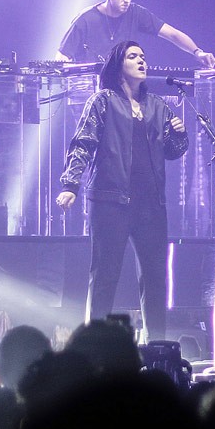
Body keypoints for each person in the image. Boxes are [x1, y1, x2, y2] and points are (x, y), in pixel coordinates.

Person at [56, 40, 189, 342]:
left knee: (156, 280)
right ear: (119, 67)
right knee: (104, 277)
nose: (142, 61)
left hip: (151, 205)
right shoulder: (102, 101)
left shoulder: (158, 105)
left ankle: (157, 348)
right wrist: (70, 184)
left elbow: (172, 151)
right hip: (110, 202)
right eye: (133, 56)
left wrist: (180, 135)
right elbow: (83, 142)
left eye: (143, 55)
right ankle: (93, 347)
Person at [56, 0, 215, 67]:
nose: (127, 0)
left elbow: (172, 34)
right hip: (86, 92)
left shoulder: (136, 13)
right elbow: (61, 56)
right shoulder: (85, 19)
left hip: (121, 90)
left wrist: (198, 52)